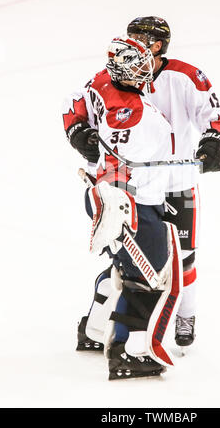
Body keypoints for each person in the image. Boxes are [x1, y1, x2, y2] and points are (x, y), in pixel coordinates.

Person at [64, 16, 220, 354]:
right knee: (129, 265)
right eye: (132, 36)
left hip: (177, 183)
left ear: (159, 44)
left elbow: (212, 115)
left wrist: (214, 140)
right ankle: (99, 329)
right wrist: (79, 132)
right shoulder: (114, 74)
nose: (136, 42)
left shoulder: (185, 76)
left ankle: (185, 316)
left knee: (182, 259)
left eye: (144, 38)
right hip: (130, 188)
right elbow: (75, 106)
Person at [63, 36, 183, 379]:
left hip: (103, 195)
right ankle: (129, 353)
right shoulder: (139, 118)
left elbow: (70, 103)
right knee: (150, 278)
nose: (145, 71)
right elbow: (129, 169)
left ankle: (94, 330)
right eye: (136, 67)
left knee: (121, 264)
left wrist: (77, 130)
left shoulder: (99, 81)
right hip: (130, 204)